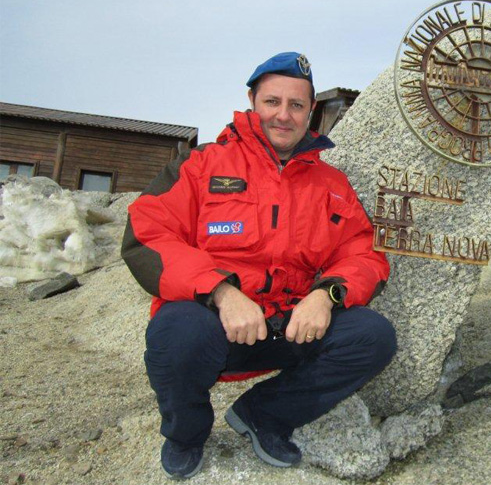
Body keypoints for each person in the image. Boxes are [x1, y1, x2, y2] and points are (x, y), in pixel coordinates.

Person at [121, 52, 395, 480]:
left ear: (311, 112)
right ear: (252, 101)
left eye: (296, 105)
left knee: (372, 336)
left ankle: (264, 415)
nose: (283, 115)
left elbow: (364, 252)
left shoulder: (333, 185)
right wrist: (221, 292)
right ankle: (186, 434)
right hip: (216, 325)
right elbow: (148, 233)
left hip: (290, 327)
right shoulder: (201, 165)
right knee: (176, 332)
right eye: (272, 102)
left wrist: (326, 295)